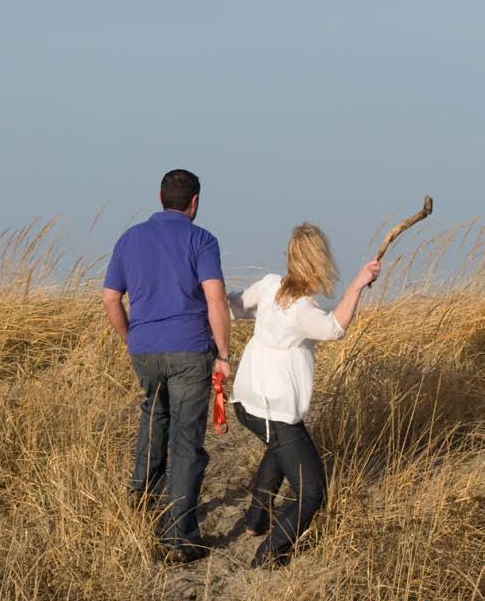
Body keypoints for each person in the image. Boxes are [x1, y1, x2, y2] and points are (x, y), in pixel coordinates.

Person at [229, 224, 381, 568]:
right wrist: (357, 286)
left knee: (278, 447)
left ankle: (256, 521)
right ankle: (269, 556)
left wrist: (211, 294)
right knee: (312, 493)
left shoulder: (270, 286)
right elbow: (334, 329)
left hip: (247, 402)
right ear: (319, 261)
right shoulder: (300, 308)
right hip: (275, 410)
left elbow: (235, 308)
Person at [102, 169, 231, 562]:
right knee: (186, 440)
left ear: (159, 198)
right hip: (189, 349)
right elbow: (214, 299)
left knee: (153, 423)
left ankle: (141, 514)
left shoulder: (129, 238)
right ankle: (180, 535)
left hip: (144, 351)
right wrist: (224, 355)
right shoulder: (201, 239)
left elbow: (110, 299)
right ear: (194, 202)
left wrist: (132, 339)